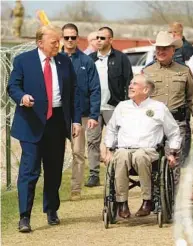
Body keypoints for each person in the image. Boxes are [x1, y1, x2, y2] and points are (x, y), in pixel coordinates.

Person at [7, 25, 81, 232]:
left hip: (57, 122)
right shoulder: (23, 61)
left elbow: (74, 93)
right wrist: (22, 97)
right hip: (31, 121)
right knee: (29, 170)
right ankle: (24, 216)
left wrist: (76, 121)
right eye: (54, 41)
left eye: (58, 41)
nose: (58, 44)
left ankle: (51, 210)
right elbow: (13, 86)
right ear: (40, 43)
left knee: (54, 169)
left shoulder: (65, 62)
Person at [103, 74, 181, 219]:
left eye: (135, 84)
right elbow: (111, 129)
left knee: (140, 156)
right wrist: (108, 149)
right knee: (120, 156)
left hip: (149, 151)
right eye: (130, 83)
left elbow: (174, 132)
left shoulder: (158, 108)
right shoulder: (122, 106)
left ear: (145, 90)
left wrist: (173, 152)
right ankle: (122, 203)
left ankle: (147, 201)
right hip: (124, 149)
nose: (130, 86)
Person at [85, 26, 133, 187]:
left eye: (102, 38)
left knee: (117, 142)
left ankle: (116, 173)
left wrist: (127, 106)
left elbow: (129, 83)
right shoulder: (89, 59)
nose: (98, 40)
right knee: (92, 140)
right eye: (97, 37)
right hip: (94, 109)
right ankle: (93, 174)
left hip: (114, 107)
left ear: (110, 40)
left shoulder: (121, 59)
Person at [143, 31, 193, 184]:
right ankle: (154, 198)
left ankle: (172, 202)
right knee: (151, 162)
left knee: (174, 163)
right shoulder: (146, 72)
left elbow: (191, 98)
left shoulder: (184, 71)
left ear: (173, 50)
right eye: (158, 48)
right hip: (152, 124)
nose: (161, 51)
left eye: (165, 48)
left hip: (177, 123)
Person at [61, 23, 101, 200]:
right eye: (67, 37)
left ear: (78, 38)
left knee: (78, 152)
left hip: (82, 114)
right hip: (58, 114)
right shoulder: (55, 58)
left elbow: (95, 89)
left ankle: (75, 189)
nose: (70, 40)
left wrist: (93, 114)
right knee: (54, 152)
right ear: (62, 38)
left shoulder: (86, 61)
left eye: (73, 37)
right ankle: (52, 189)